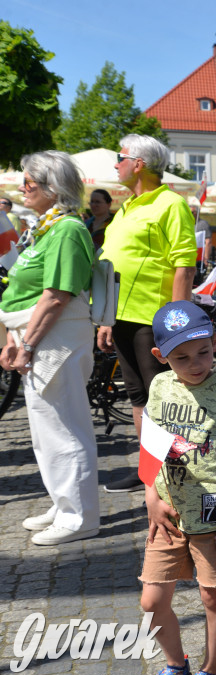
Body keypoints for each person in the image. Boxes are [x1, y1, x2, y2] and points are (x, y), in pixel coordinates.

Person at [140, 301, 216, 675]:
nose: (196, 363)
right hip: (167, 509)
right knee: (151, 600)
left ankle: (211, 668)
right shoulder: (159, 385)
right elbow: (149, 447)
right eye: (181, 357)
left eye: (204, 351)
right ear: (160, 355)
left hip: (213, 509)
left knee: (211, 595)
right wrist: (150, 498)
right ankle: (175, 664)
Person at [0, 151, 99, 546]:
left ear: (53, 188)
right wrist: (15, 337)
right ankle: (64, 503)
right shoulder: (49, 229)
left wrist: (25, 343)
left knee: (64, 428)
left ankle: (79, 516)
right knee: (45, 429)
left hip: (56, 337)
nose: (22, 189)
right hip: (42, 335)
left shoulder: (67, 230)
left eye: (30, 184)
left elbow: (57, 295)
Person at [99, 134, 197, 493]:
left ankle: (172, 472)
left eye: (119, 157)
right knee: (138, 397)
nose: (115, 164)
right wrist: (107, 318)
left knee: (162, 399)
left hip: (153, 318)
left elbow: (184, 265)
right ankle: (150, 471)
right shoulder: (127, 206)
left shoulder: (170, 203)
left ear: (138, 163)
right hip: (122, 315)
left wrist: (175, 325)